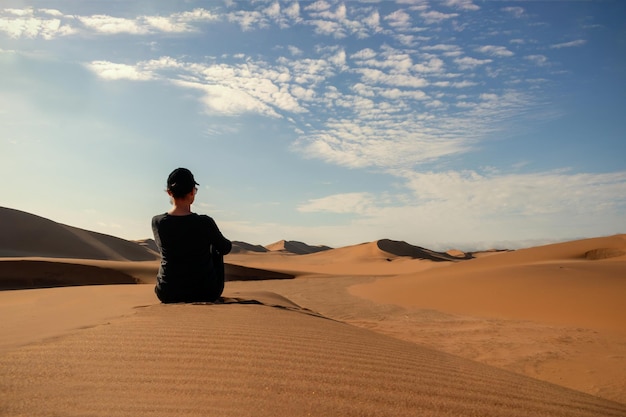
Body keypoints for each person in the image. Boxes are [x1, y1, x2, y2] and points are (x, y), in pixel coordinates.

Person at [152, 168, 232, 303]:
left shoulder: (157, 222)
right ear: (192, 192)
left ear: (169, 192)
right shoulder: (205, 222)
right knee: (216, 248)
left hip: (168, 292)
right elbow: (225, 248)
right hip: (206, 292)